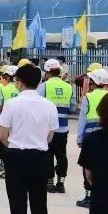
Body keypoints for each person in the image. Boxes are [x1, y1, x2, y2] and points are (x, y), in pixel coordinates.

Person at [0, 64, 58, 214]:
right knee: (40, 209)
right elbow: (50, 137)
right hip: (41, 158)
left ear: (19, 82)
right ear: (39, 82)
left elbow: (2, 135)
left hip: (17, 157)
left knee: (18, 209)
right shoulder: (49, 105)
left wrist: (14, 146)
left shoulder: (12, 104)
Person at [75, 68, 108, 209]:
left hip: (90, 138)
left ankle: (89, 197)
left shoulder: (88, 97)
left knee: (88, 167)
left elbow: (82, 119)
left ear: (94, 82)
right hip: (107, 137)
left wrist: (79, 138)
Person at [38, 59, 74, 194]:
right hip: (63, 128)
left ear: (47, 73)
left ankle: (49, 183)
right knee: (61, 155)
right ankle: (61, 182)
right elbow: (71, 107)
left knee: (48, 155)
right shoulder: (68, 87)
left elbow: (37, 106)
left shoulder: (44, 87)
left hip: (47, 129)